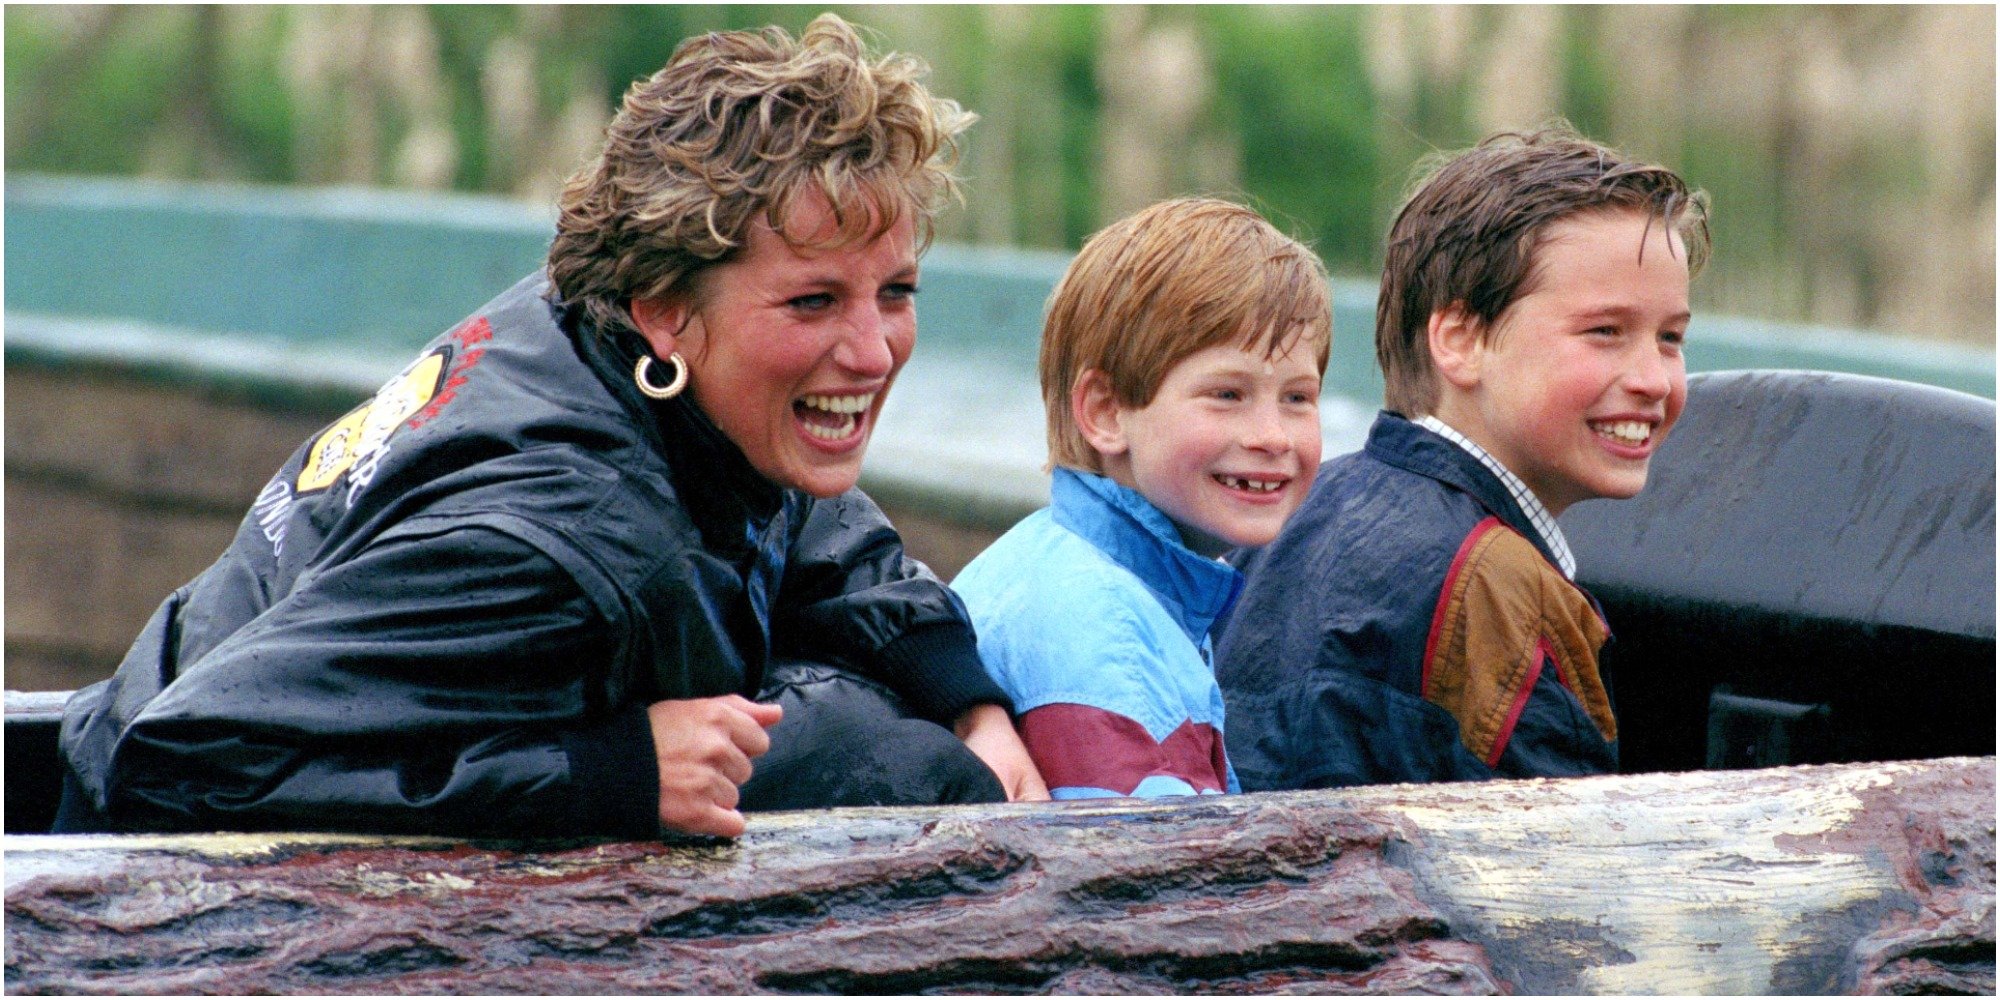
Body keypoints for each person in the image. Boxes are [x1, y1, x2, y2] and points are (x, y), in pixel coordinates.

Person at [56, 14, 1047, 839]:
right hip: (134, 894)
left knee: (896, 734)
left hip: (181, 692)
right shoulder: (560, 542)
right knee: (901, 772)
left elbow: (801, 517)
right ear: (665, 306)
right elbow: (180, 763)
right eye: (813, 303)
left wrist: (966, 694)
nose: (872, 351)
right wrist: (605, 773)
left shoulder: (605, 340)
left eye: (897, 291)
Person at [1216, 126, 1710, 790]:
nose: (1654, 378)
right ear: (1460, 340)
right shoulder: (1507, 596)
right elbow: (1563, 875)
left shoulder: (1289, 516)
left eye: (1671, 337)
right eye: (1605, 332)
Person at [952, 198, 1332, 799]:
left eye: (1297, 398)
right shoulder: (1108, 646)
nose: (1273, 436)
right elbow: (1151, 883)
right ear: (1105, 413)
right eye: (1228, 394)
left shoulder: (1069, 563)